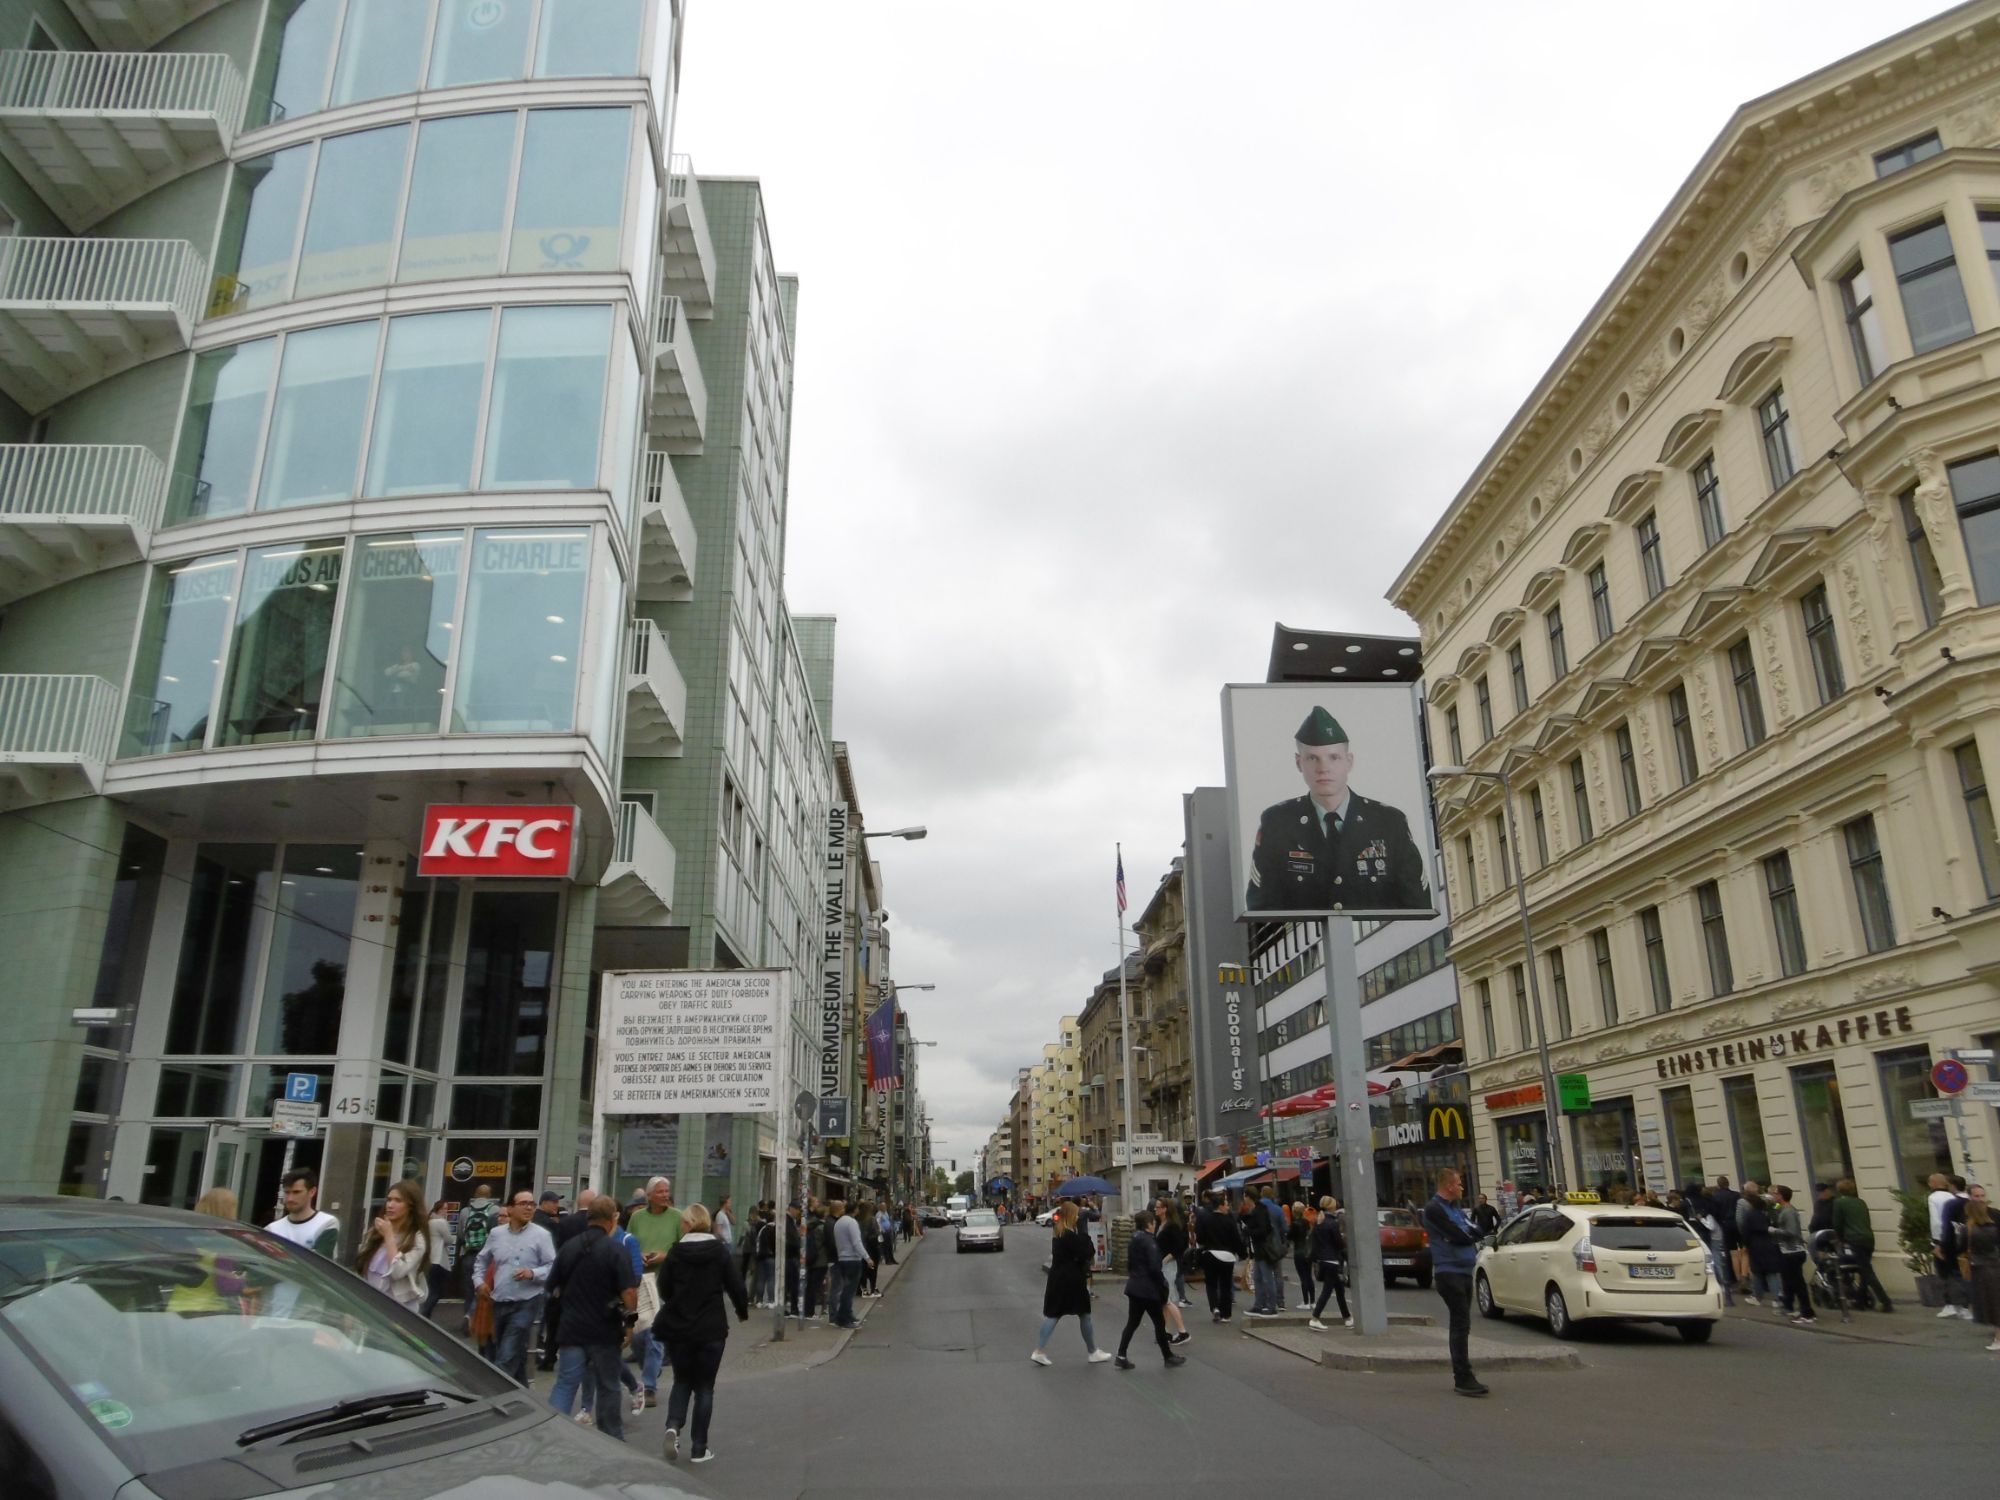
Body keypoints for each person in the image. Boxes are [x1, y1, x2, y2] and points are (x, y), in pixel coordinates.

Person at [1245, 705, 1430, 912]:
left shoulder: (1389, 821)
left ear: (1349, 761)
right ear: (1298, 763)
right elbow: (1261, 908)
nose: (1323, 768)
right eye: (1312, 758)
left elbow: (1418, 905)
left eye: (1333, 757)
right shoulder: (1277, 823)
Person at [653, 1203, 749, 1465]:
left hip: (680, 1328)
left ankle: (673, 1426)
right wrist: (742, 1311)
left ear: (687, 1224)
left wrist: (677, 1300)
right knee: (705, 1388)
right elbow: (736, 1285)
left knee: (682, 1381)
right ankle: (699, 1448)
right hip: (711, 1328)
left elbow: (664, 1287)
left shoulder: (676, 1252)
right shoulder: (719, 1252)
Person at [546, 1195, 639, 1441]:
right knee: (608, 1385)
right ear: (612, 1219)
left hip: (571, 1328)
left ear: (588, 1218)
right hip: (604, 1330)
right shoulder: (615, 1249)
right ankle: (611, 1438)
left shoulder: (569, 1247)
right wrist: (630, 1323)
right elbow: (629, 1292)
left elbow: (552, 1286)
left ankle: (551, 1434)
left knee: (565, 1383)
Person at [474, 1188, 557, 1380]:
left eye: (531, 1204)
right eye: (523, 1204)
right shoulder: (496, 1234)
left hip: (527, 1301)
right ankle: (521, 1390)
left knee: (507, 1353)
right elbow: (482, 1260)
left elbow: (553, 1266)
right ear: (510, 1209)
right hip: (499, 1299)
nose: (529, 1208)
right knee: (510, 1353)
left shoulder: (541, 1235)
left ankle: (494, 1389)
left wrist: (532, 1273)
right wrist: (479, 1282)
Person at [1421, 1168, 1486, 1397]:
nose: (1462, 1187)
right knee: (1460, 1324)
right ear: (1448, 1186)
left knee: (1463, 1324)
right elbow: (1460, 1235)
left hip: (1464, 1271)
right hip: (1449, 1272)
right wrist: (1464, 1235)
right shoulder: (1434, 1209)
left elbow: (1476, 1231)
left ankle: (1465, 1375)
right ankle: (1463, 1377)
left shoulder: (1455, 1209)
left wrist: (1465, 1234)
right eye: (1458, 1184)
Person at [1032, 1203, 1110, 1366]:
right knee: (1084, 1314)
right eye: (1076, 1214)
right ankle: (1092, 1352)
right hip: (1072, 1281)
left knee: (1054, 1315)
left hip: (1057, 1279)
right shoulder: (1069, 1235)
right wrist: (1084, 1233)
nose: (1078, 1217)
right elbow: (1087, 1252)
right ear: (1071, 1215)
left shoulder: (1058, 1232)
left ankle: (1039, 1350)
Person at [628, 1176, 683, 1404]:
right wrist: (638, 1255)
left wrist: (664, 1256)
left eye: (667, 1191)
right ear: (649, 1195)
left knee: (655, 1336)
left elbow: (684, 1249)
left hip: (664, 1284)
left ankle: (649, 1386)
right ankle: (651, 1367)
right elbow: (628, 1243)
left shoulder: (677, 1217)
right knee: (637, 1337)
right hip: (640, 1283)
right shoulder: (637, 1217)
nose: (665, 1195)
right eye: (660, 1192)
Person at [1114, 1208, 1187, 1370]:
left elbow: (1130, 1264)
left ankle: (1121, 1354)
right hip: (1149, 1289)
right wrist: (1162, 1284)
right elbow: (1155, 1267)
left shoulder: (1134, 1239)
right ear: (1148, 1224)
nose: (1155, 1225)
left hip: (1135, 1286)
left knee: (1132, 1322)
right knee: (1159, 1323)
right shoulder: (1149, 1242)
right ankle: (1168, 1356)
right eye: (1153, 1223)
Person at [354, 1178, 429, 1310]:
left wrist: (389, 1236)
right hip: (370, 1304)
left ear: (410, 1206)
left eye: (398, 1201)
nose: (390, 1205)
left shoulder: (416, 1239)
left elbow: (397, 1272)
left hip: (398, 1309)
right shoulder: (376, 1232)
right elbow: (361, 1269)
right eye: (389, 1200)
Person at [1830, 1177, 1894, 1312]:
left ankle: (1885, 1301)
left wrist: (1839, 1239)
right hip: (1868, 1238)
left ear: (1839, 1190)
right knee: (1864, 1270)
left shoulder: (1839, 1203)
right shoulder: (1860, 1202)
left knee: (1867, 1271)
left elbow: (1837, 1223)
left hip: (1854, 1239)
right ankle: (1860, 1300)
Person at [265, 1169, 340, 1258]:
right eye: (287, 1192)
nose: (290, 1198)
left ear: (312, 1192)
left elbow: (318, 1261)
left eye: (296, 1192)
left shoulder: (327, 1223)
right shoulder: (272, 1229)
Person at [1194, 1189, 1244, 1323]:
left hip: (1210, 1254)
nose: (1228, 1207)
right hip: (1227, 1256)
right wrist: (1242, 1253)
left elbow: (1200, 1238)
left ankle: (1215, 1307)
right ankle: (1226, 1314)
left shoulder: (1206, 1219)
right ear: (1220, 1206)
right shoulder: (1229, 1220)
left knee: (1211, 1283)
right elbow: (1236, 1239)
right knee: (1225, 1285)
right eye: (1226, 1205)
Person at [1768, 1185, 1815, 1325]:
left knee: (1798, 1283)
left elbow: (1792, 1232)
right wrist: (1772, 1206)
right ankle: (1791, 1307)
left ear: (1781, 1196)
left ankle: (1807, 1313)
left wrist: (1773, 1230)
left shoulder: (1789, 1212)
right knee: (1789, 1281)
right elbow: (1776, 1211)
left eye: (1774, 1194)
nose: (1772, 1196)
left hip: (1793, 1251)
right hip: (1787, 1251)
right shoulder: (1783, 1209)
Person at [1964, 1184, 1999, 1352]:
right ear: (1970, 1197)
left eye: (1982, 1195)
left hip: (1986, 1265)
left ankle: (1998, 1338)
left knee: (1993, 1302)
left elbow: (1961, 1243)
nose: (1980, 1199)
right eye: (1976, 1196)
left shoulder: (1993, 1215)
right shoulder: (1968, 1218)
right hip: (1987, 1264)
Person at [457, 1184, 499, 1326]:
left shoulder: (465, 1211)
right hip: (486, 1256)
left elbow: (460, 1234)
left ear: (475, 1194)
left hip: (468, 1254)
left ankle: (466, 1315)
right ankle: (472, 1317)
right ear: (489, 1195)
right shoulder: (494, 1210)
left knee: (469, 1289)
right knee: (483, 1287)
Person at [1736, 1184, 1783, 1308]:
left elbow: (1744, 1230)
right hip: (1769, 1244)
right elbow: (1774, 1222)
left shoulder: (1749, 1215)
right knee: (1771, 1273)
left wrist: (1745, 1244)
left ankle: (1757, 1297)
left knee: (1757, 1273)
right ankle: (1778, 1298)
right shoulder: (1767, 1213)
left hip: (1755, 1246)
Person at [1308, 1195, 1352, 1330]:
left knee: (1339, 1290)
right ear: (1332, 1206)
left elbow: (1315, 1242)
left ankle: (1347, 1318)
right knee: (1327, 1291)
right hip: (1332, 1260)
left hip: (1323, 1260)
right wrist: (1343, 1242)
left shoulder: (1319, 1222)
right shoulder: (1332, 1223)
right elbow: (1338, 1243)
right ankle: (1315, 1318)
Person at [831, 1200, 869, 1329]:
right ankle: (844, 1318)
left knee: (845, 1289)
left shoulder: (839, 1222)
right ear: (855, 1210)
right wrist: (867, 1257)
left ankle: (846, 1314)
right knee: (849, 1290)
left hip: (842, 1258)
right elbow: (856, 1242)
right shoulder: (852, 1222)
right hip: (852, 1259)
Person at [1710, 1175, 1744, 1294]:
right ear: (1728, 1183)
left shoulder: (1715, 1196)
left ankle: (1731, 1276)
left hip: (1724, 1225)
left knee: (1728, 1251)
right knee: (1742, 1250)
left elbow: (1715, 1212)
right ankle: (1743, 1275)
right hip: (1736, 1224)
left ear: (1718, 1184)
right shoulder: (1736, 1195)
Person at [1156, 1199, 1192, 1307]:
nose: (1155, 1209)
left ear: (1165, 1209)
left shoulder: (1172, 1226)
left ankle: (1179, 1302)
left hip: (1169, 1263)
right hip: (1159, 1261)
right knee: (1164, 1294)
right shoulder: (1159, 1223)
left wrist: (1166, 1259)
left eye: (1158, 1207)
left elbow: (1179, 1246)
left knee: (1168, 1295)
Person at [1288, 1196, 1316, 1310]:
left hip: (1299, 1251)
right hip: (1307, 1251)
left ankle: (1305, 1301)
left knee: (1303, 1277)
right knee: (1309, 1276)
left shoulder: (1294, 1224)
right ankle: (1313, 1301)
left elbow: (1289, 1237)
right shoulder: (1307, 1223)